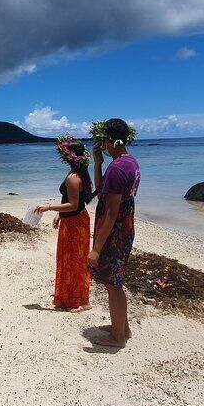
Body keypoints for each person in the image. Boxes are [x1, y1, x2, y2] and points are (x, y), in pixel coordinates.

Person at [88, 118, 141, 348]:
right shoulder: (128, 162)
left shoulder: (118, 168)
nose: (103, 145)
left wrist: (96, 249)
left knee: (113, 284)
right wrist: (98, 163)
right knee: (115, 281)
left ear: (112, 140)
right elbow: (101, 191)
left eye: (104, 141)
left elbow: (111, 213)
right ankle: (123, 328)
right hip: (124, 226)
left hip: (115, 231)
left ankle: (117, 337)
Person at [36, 135, 93, 313]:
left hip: (75, 222)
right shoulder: (80, 173)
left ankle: (82, 302)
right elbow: (75, 202)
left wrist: (49, 207)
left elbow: (74, 204)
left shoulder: (73, 177)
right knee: (71, 258)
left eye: (64, 153)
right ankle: (70, 295)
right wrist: (60, 215)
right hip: (75, 219)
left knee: (75, 260)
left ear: (69, 156)